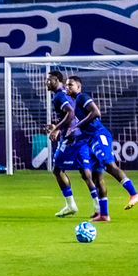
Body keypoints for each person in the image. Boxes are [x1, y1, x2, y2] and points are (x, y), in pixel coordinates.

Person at [67, 76, 138, 213]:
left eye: (70, 85)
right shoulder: (75, 103)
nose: (67, 87)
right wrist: (74, 136)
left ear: (79, 87)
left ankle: (134, 193)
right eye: (66, 85)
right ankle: (104, 214)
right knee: (97, 176)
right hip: (91, 139)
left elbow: (96, 112)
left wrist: (76, 127)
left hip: (99, 135)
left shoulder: (82, 97)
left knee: (109, 165)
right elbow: (85, 127)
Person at [44, 70, 90, 218]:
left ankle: (71, 205)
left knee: (57, 169)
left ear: (58, 80)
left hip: (70, 137)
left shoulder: (59, 96)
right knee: (85, 172)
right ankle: (99, 207)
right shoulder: (68, 93)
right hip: (80, 134)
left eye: (50, 79)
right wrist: (58, 127)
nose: (47, 82)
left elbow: (70, 113)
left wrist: (56, 129)